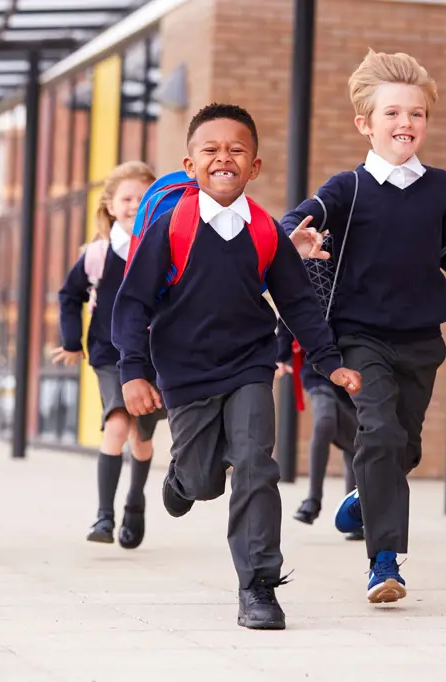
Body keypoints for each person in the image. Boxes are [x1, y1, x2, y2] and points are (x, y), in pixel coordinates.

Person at [283, 50, 446, 604]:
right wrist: (297, 235)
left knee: (405, 448)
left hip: (420, 340)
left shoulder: (439, 187)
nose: (405, 124)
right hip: (359, 338)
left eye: (415, 114)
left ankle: (364, 502)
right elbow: (296, 220)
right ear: (365, 124)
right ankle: (384, 563)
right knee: (383, 436)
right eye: (392, 113)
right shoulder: (348, 188)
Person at [112, 103, 362, 630]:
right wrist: (134, 371)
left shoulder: (266, 232)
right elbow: (133, 303)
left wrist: (330, 362)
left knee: (255, 463)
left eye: (236, 150)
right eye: (211, 149)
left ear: (255, 166)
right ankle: (183, 478)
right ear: (190, 164)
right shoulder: (170, 227)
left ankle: (258, 587)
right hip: (184, 373)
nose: (223, 157)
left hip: (251, 364)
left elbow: (297, 304)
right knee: (204, 480)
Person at [52, 161, 163, 549]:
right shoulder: (98, 254)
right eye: (127, 198)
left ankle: (135, 502)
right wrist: (71, 341)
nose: (135, 205)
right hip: (108, 353)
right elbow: (69, 296)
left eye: (144, 198)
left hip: (154, 355)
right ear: (111, 206)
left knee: (141, 437)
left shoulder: (164, 247)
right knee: (117, 420)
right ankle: (104, 515)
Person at [274, 320, 362, 541]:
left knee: (354, 439)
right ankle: (313, 500)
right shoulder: (309, 284)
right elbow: (290, 312)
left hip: (355, 366)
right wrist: (282, 355)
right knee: (325, 421)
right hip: (317, 365)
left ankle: (353, 512)